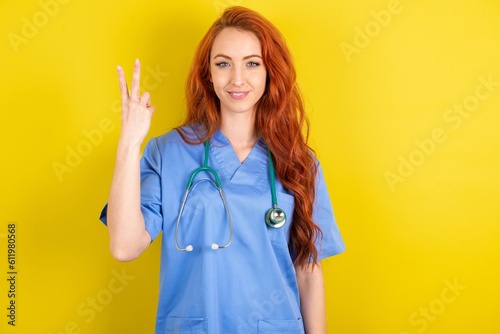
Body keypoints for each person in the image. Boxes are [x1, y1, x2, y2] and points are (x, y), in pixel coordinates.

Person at [99, 6, 345, 334]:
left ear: (270, 71)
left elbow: (308, 270)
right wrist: (129, 145)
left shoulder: (299, 162)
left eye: (252, 63)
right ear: (208, 73)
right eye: (223, 63)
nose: (237, 79)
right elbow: (124, 246)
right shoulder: (167, 153)